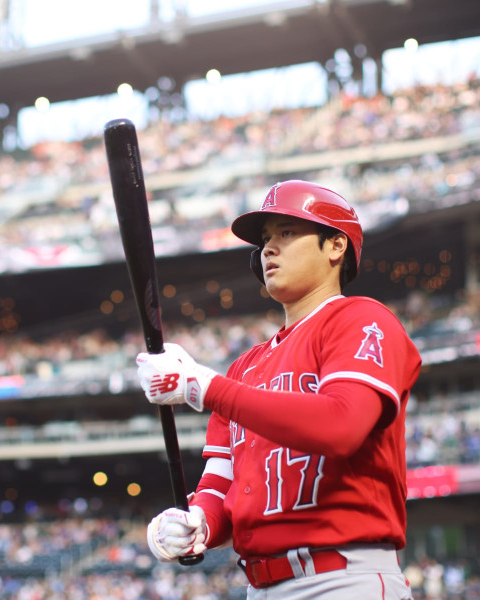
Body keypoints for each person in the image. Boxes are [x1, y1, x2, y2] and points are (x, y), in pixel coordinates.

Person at [136, 180, 422, 599]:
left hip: (344, 577)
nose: (268, 248)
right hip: (260, 586)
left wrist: (206, 386)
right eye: (266, 240)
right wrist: (197, 522)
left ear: (335, 246)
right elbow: (222, 487)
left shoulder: (361, 319)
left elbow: (342, 425)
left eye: (287, 233)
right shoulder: (243, 368)